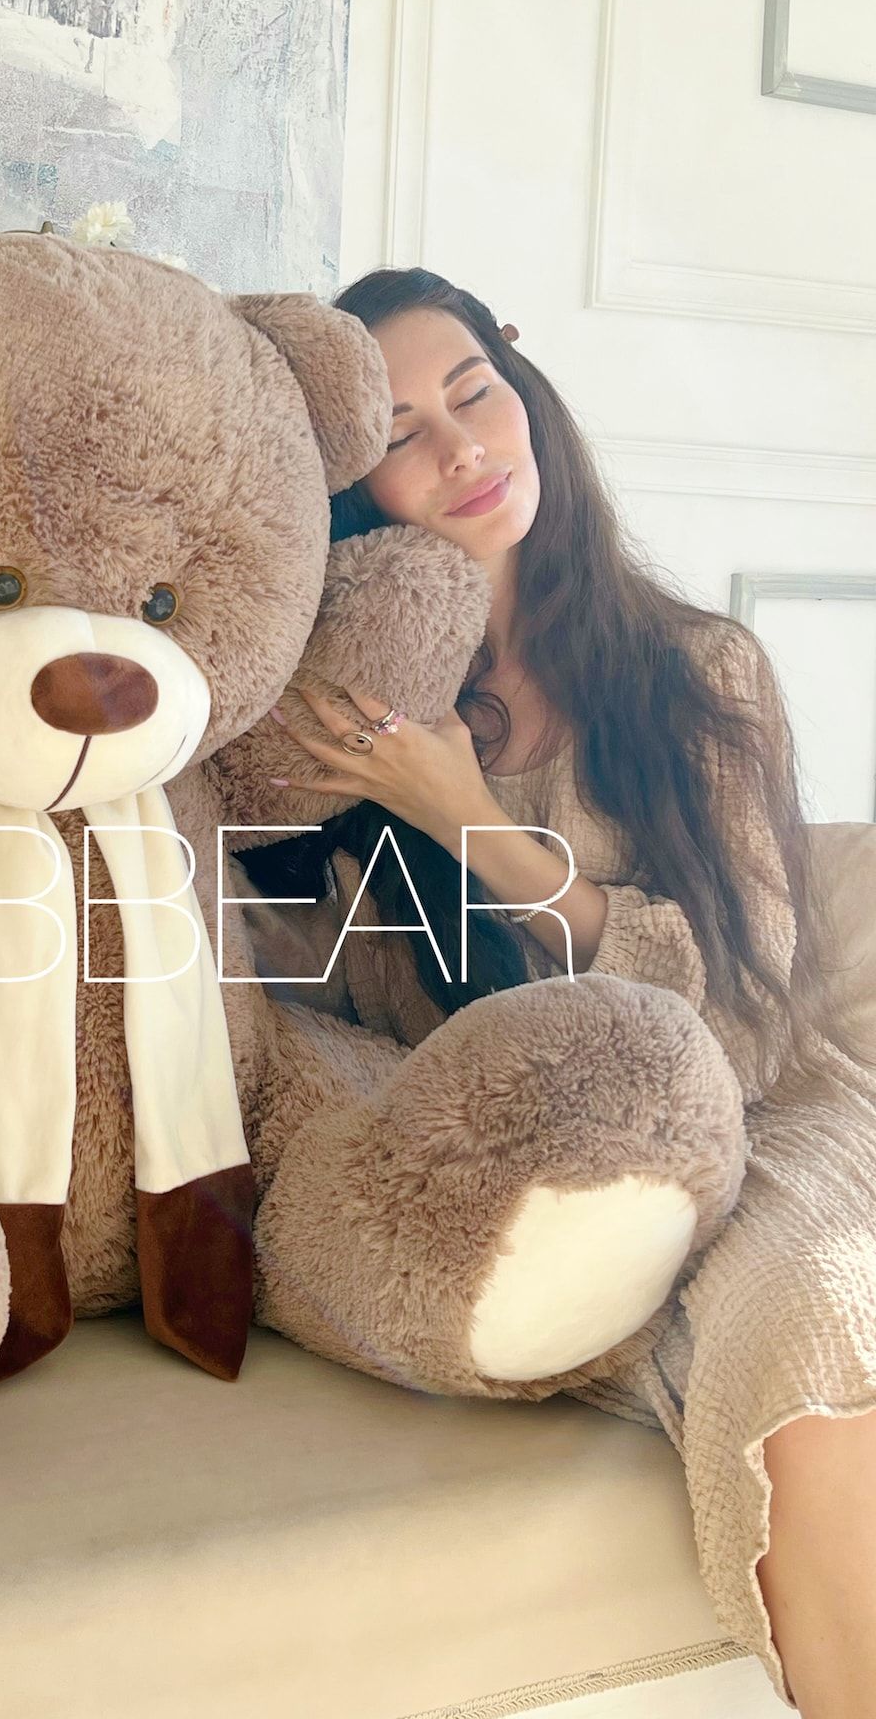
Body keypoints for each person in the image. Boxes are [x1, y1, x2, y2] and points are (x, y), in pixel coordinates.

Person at [238, 266, 876, 1716]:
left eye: (476, 392)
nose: (463, 447)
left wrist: (472, 822)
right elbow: (317, 1000)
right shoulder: (343, 723)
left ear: (524, 392)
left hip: (767, 1113)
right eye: (403, 434)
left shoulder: (700, 673)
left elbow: (742, 1000)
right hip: (537, 1155)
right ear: (354, 492)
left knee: (820, 1322)